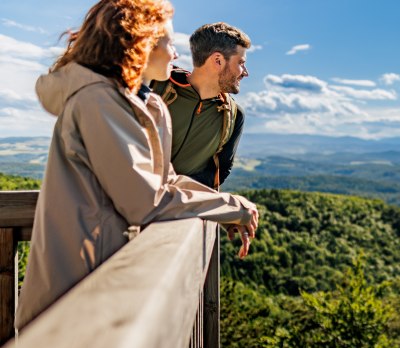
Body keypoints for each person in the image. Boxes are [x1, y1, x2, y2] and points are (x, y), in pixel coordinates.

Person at [16, 0, 258, 329]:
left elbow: (167, 180)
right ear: (140, 43)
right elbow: (146, 200)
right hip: (74, 291)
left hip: (106, 276)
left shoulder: (136, 102)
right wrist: (229, 206)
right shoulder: (97, 101)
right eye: (169, 43)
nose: (175, 56)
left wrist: (232, 207)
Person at [151, 22, 251, 189]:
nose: (245, 72)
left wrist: (175, 192)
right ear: (218, 60)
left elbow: (220, 171)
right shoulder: (157, 85)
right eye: (241, 63)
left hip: (178, 210)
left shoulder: (234, 115)